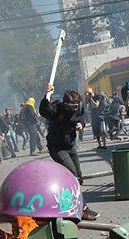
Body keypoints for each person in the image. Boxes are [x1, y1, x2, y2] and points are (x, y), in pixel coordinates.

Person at [40, 84, 100, 221]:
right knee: (72, 175)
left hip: (71, 145)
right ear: (65, 103)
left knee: (79, 177)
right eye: (70, 107)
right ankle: (83, 208)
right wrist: (47, 94)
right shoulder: (56, 108)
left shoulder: (79, 106)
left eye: (75, 106)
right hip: (57, 147)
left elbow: (81, 119)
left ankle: (69, 204)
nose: (73, 109)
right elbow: (44, 110)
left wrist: (81, 124)